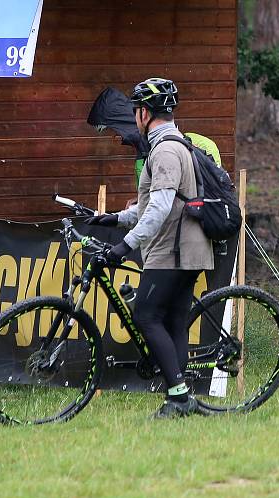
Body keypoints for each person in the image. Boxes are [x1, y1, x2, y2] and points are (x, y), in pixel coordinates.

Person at [86, 77, 215, 417]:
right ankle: (181, 397)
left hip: (175, 250)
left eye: (135, 111)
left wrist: (123, 247)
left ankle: (178, 397)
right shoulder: (170, 145)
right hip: (180, 247)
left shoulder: (167, 150)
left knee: (145, 315)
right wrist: (114, 219)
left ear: (144, 113)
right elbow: (151, 206)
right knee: (173, 322)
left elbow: (160, 209)